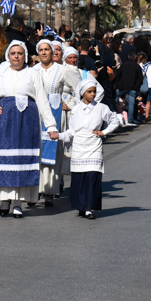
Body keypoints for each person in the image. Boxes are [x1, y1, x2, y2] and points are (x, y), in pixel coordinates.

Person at [0, 41, 58, 218]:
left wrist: (51, 126)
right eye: (13, 53)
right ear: (8, 55)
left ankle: (18, 203)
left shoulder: (32, 74)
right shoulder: (0, 72)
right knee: (6, 162)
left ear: (25, 56)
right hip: (5, 121)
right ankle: (5, 199)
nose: (16, 56)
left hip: (27, 122)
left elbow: (42, 100)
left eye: (20, 53)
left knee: (22, 162)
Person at [62, 78, 120, 219]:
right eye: (89, 92)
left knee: (92, 176)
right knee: (80, 177)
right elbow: (72, 131)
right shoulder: (75, 109)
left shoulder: (101, 108)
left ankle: (89, 207)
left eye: (94, 91)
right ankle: (81, 205)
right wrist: (58, 136)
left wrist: (104, 132)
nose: (93, 94)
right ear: (83, 93)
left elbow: (115, 120)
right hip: (79, 146)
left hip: (94, 145)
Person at [33, 39, 81, 204]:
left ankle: (49, 191)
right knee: (37, 151)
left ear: (53, 52)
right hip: (36, 115)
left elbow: (79, 88)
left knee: (54, 153)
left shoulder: (61, 70)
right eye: (41, 50)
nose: (44, 52)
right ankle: (35, 189)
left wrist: (71, 105)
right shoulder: (33, 70)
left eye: (47, 49)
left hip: (55, 115)